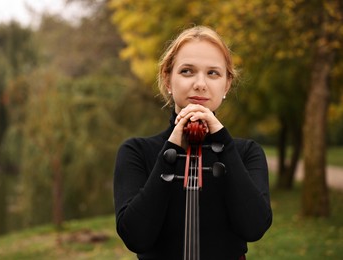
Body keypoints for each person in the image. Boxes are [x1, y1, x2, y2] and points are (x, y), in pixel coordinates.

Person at [113, 25, 272, 260]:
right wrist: (171, 149)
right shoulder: (136, 151)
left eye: (213, 73)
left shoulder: (246, 153)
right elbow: (136, 236)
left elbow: (254, 227)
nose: (200, 84)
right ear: (168, 79)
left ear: (227, 84)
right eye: (187, 71)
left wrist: (223, 142)